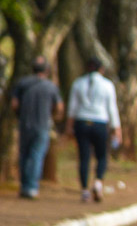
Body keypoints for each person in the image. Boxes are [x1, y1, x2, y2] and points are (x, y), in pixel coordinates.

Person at [66, 57, 121, 202]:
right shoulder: (107, 85)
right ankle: (98, 182)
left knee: (84, 157)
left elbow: (72, 108)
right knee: (102, 156)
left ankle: (84, 190)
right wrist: (117, 129)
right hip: (100, 123)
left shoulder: (78, 83)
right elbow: (112, 109)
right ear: (101, 69)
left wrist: (69, 127)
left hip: (82, 122)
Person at [11, 57, 63, 200]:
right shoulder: (50, 86)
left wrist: (19, 115)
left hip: (24, 125)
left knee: (24, 155)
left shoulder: (22, 83)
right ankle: (31, 187)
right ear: (47, 70)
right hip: (42, 125)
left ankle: (24, 185)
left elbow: (14, 104)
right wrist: (54, 117)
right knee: (36, 156)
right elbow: (59, 107)